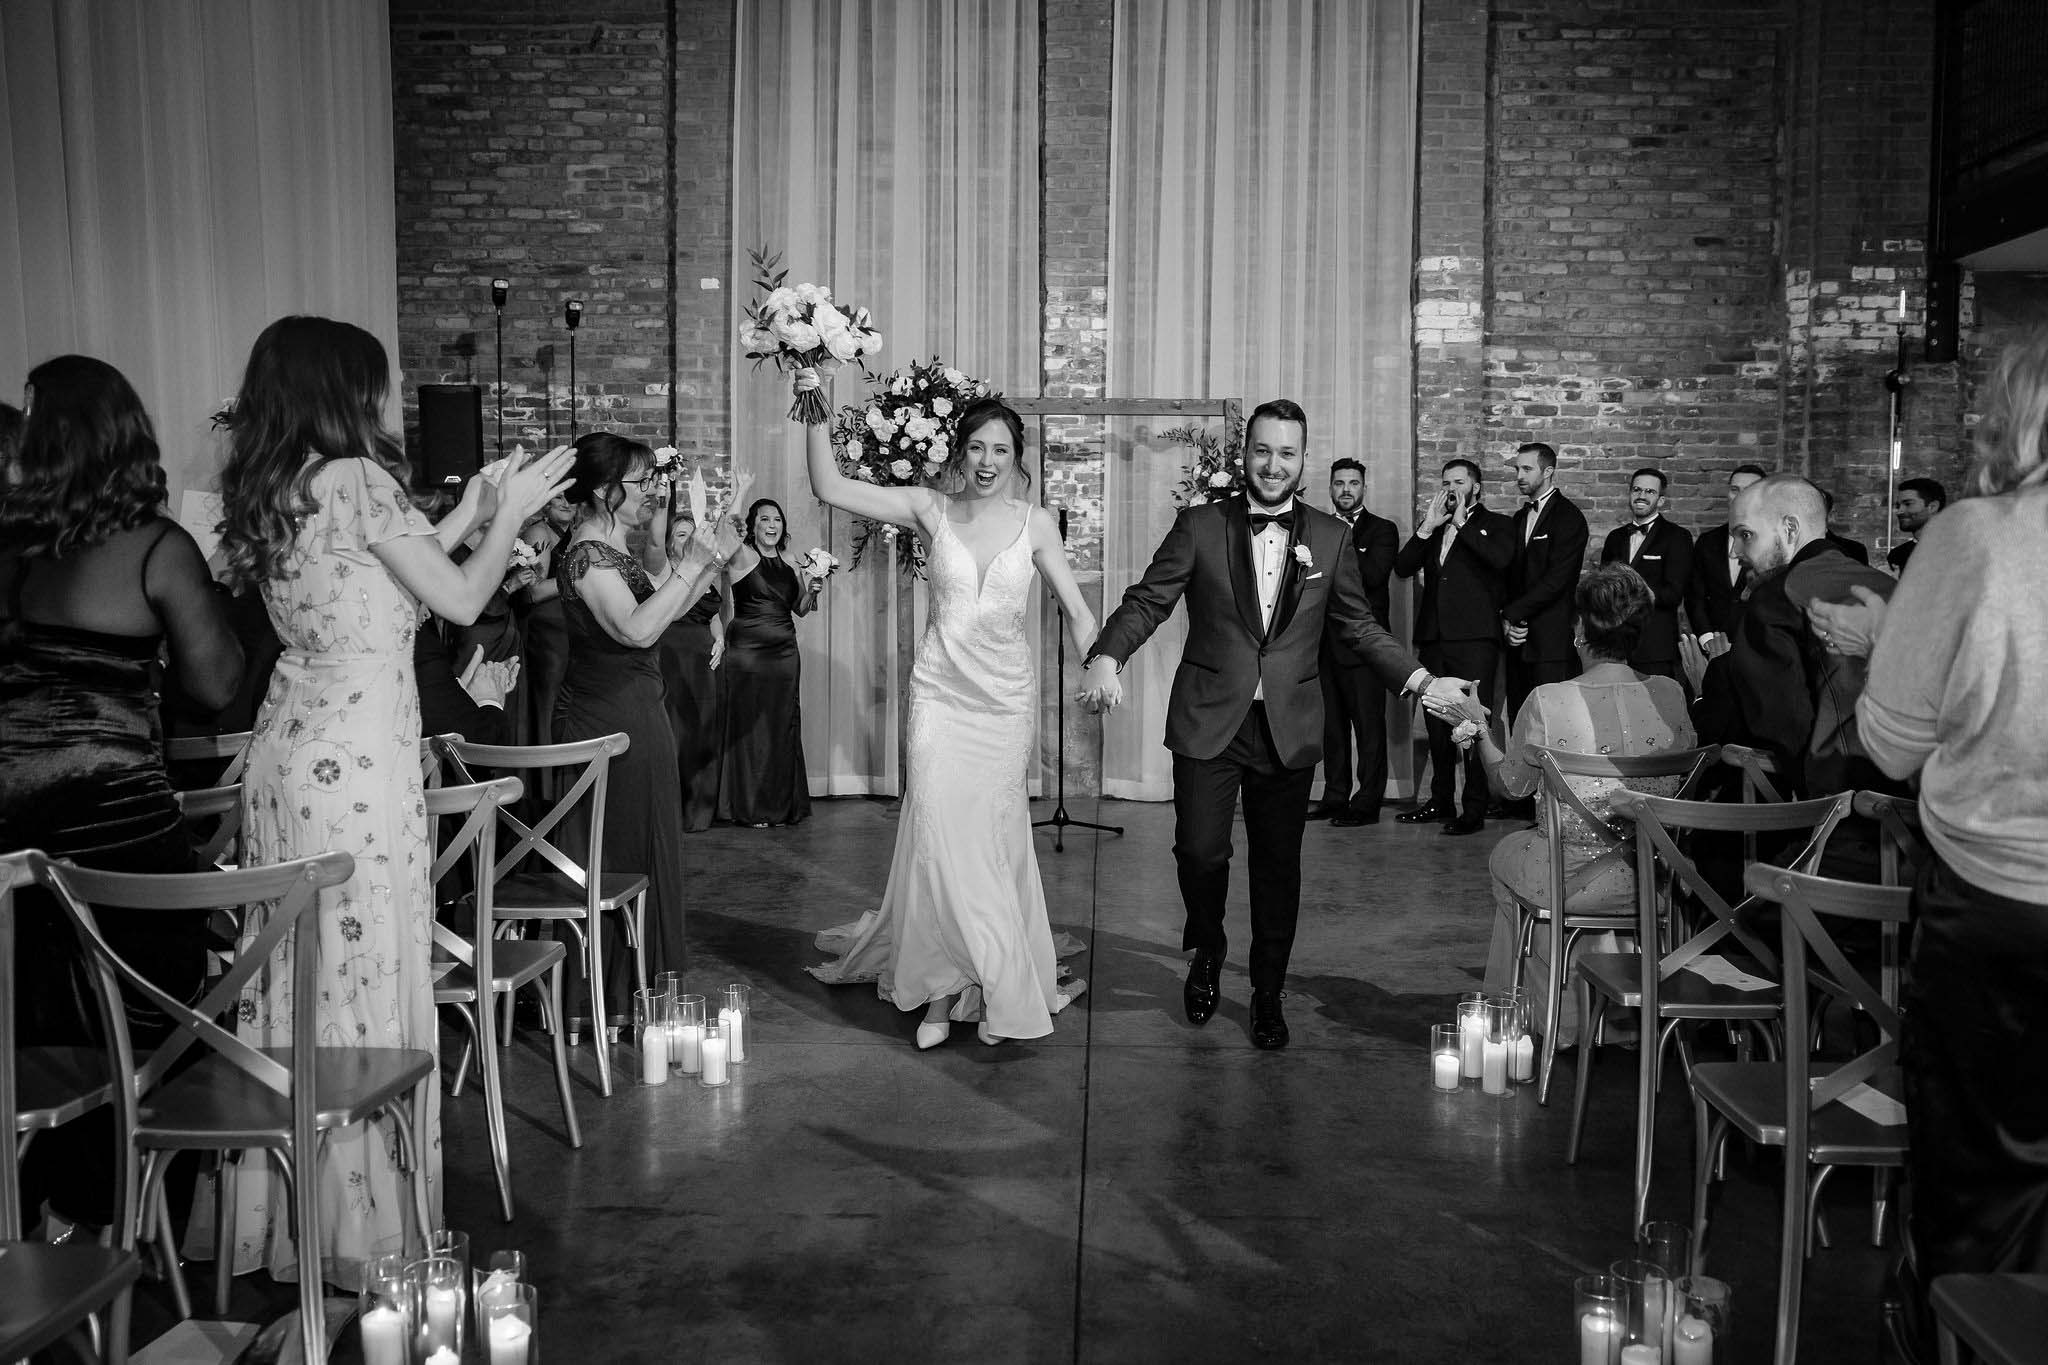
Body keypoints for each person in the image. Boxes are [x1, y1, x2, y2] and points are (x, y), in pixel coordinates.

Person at [215, 315, 572, 1288]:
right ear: (341, 389)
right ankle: (365, 1226)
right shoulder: (360, 480)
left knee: (300, 976)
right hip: (360, 768)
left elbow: (390, 588)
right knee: (363, 967)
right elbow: (457, 602)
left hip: (287, 755)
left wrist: (472, 510)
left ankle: (297, 1212)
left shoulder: (279, 484)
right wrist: (510, 515)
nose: (384, 397)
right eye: (374, 382)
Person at [1080, 400, 1473, 1050]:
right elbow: (1148, 599)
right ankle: (1208, 945)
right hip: (1210, 718)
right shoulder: (1200, 525)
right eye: (1262, 450)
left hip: (1287, 726)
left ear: (1303, 460)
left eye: (1286, 453)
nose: (1272, 464)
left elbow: (1360, 627)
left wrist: (1423, 682)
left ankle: (1267, 990)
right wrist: (1106, 655)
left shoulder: (1331, 537)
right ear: (1246, 455)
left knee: (1277, 867)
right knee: (1199, 851)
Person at [1, 357, 242, 1235]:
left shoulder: (12, 549)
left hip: (16, 839)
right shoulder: (155, 549)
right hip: (120, 831)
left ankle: (43, 1222)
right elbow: (217, 685)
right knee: (152, 1017)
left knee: (35, 1031)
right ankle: (130, 1224)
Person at [1835, 329, 2048, 1322]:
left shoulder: (1977, 537)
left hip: (2001, 912)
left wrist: (1882, 641)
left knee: (1977, 1199)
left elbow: (1888, 745)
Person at [798, 372, 1094, 1046]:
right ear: (960, 451)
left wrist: (1101, 662)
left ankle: (983, 982)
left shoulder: (1036, 523)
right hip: (940, 698)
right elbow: (829, 485)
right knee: (937, 837)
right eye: (977, 447)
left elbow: (1077, 613)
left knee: (986, 842)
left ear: (1017, 457)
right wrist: (814, 390)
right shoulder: (929, 508)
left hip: (1003, 706)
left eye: (1001, 449)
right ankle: (937, 987)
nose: (988, 461)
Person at [553, 432, 745, 1024]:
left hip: (639, 707)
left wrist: (711, 560)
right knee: (620, 846)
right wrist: (691, 564)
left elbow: (667, 611)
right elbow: (636, 630)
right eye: (641, 482)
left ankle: (643, 988)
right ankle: (610, 996)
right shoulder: (586, 556)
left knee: (649, 841)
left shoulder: (615, 549)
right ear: (603, 489)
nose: (652, 492)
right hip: (607, 718)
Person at [1460, 564, 1696, 1045]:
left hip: (1567, 882)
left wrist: (1479, 729)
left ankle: (1547, 1017)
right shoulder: (1671, 694)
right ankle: (1623, 1019)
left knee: (1504, 855)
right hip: (1654, 881)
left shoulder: (1547, 700)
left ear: (1581, 632)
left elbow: (1511, 786)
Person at [1392, 459, 1514, 835]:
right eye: (1446, 482)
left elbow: (1500, 561)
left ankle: (1474, 807)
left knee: (1474, 722)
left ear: (1475, 487)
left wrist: (1462, 523)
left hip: (1475, 638)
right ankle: (1440, 799)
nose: (1451, 488)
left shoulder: (1497, 524)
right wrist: (1428, 526)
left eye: (1459, 482)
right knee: (1435, 722)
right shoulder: (1435, 523)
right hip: (1435, 637)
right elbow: (1403, 566)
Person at [717, 497, 821, 827]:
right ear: (753, 525)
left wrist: (814, 589)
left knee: (782, 724)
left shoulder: (791, 562)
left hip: (785, 653)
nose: (772, 524)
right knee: (752, 726)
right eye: (764, 519)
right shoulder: (744, 556)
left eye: (777, 519)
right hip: (747, 652)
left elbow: (800, 608)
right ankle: (752, 807)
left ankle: (782, 805)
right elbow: (726, 531)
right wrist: (741, 490)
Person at [1309, 457, 1400, 827]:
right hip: (1321, 644)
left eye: (1353, 483)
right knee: (1331, 729)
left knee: (1368, 728)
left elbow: (1372, 577)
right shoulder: (1315, 528)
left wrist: (1325, 567)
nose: (1345, 489)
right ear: (1331, 488)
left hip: (1364, 647)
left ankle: (1367, 803)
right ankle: (1334, 797)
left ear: (1364, 487)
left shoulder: (1382, 530)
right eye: (1339, 483)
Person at [1502, 441, 1589, 726]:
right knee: (1519, 725)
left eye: (1527, 469)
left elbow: (1556, 581)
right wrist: (1508, 623)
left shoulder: (1569, 517)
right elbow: (1511, 577)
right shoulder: (1519, 517)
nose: (1519, 476)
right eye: (1518, 469)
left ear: (1548, 471)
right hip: (1518, 642)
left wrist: (1510, 614)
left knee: (1553, 727)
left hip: (1551, 644)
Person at [653, 505, 726, 833]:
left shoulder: (706, 573)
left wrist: (720, 638)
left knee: (701, 732)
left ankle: (700, 810)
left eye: (692, 534)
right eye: (681, 535)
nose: (688, 540)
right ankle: (671, 811)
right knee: (676, 732)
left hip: (704, 664)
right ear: (669, 543)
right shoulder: (662, 569)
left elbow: (713, 615)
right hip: (673, 659)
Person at [1598, 467, 1694, 690]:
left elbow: (1673, 594)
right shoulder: (1615, 537)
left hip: (1655, 647)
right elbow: (1603, 587)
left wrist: (1630, 594)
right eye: (1637, 490)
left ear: (1661, 500)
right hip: (1615, 646)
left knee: (1656, 706)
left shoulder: (1677, 537)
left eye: (1650, 491)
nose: (1641, 496)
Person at [1682, 463, 1767, 661]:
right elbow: (1695, 595)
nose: (1739, 496)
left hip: (1758, 650)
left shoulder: (1775, 544)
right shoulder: (1707, 541)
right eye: (1734, 489)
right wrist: (1707, 639)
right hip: (1712, 650)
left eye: (1748, 490)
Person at [1886, 476, 1946, 574]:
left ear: (1932, 507)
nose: (1899, 511)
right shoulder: (1897, 555)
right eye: (1898, 506)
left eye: (1908, 504)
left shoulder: (1961, 549)